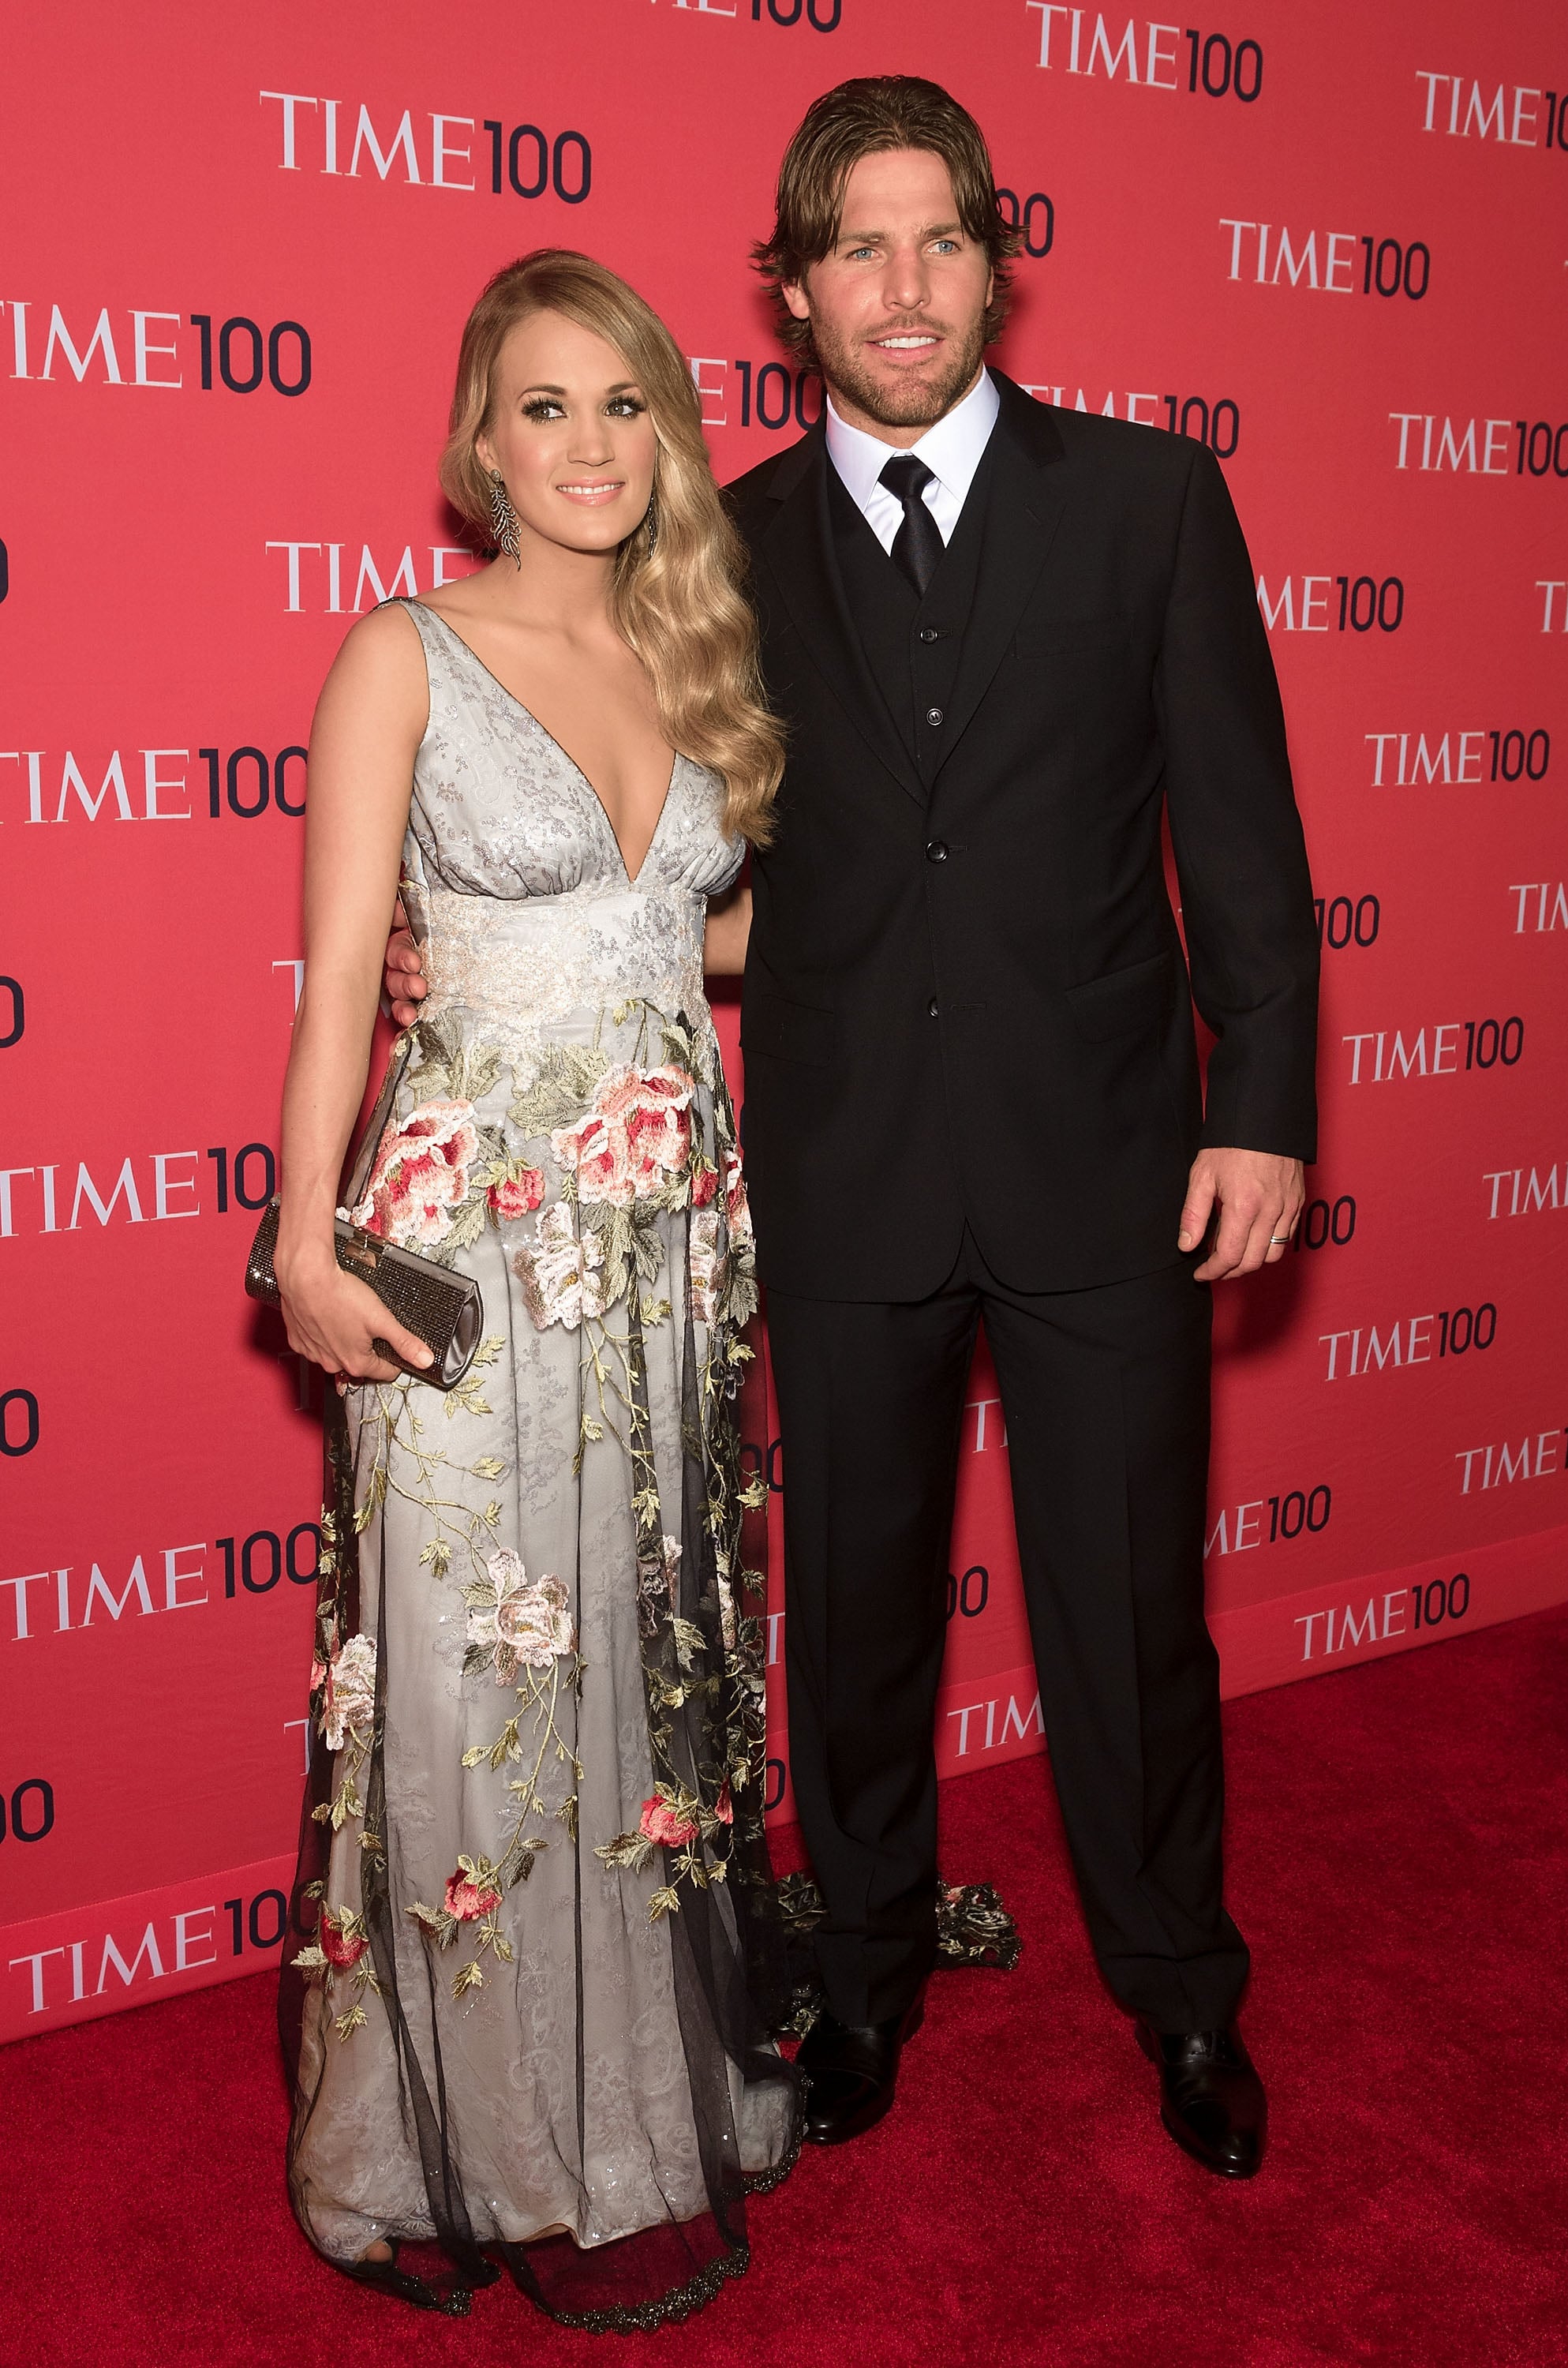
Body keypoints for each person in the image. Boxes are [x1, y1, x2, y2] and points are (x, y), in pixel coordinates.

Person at [388, 78, 1320, 2183]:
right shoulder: (715, 541)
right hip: (838, 1168)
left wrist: (1259, 1109)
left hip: (1109, 1164)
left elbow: (1241, 841)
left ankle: (1181, 1994)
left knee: (1126, 1615)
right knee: (856, 1626)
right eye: (855, 249)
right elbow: (656, 853)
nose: (901, 287)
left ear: (994, 261)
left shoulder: (1148, 501)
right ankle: (866, 1978)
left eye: (940, 240)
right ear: (792, 292)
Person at [272, 249, 800, 2324]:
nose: (588, 444)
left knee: (641, 1694)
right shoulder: (403, 650)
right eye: (543, 407)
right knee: (477, 1693)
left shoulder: (698, 663)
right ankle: (464, 2139)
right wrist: (302, 1241)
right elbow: (335, 984)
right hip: (474, 1241)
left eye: (625, 405)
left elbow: (695, 944)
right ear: (479, 445)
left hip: (667, 1247)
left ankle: (635, 2116)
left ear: (669, 434)